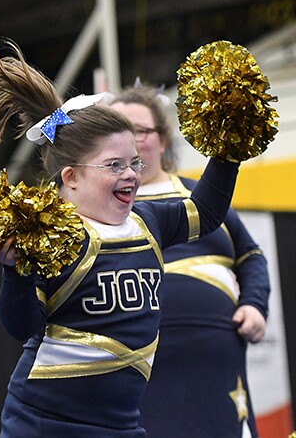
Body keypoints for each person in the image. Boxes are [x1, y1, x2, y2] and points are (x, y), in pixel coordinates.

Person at [0, 39, 242, 437]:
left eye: (134, 163)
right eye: (114, 165)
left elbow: (207, 212)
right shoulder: (54, 234)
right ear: (71, 176)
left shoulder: (148, 221)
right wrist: (15, 271)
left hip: (121, 426)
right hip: (44, 425)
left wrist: (231, 144)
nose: (131, 175)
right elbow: (22, 327)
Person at [109, 84, 269, 438]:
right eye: (118, 131)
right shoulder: (99, 211)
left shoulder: (203, 197)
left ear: (163, 141)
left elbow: (251, 255)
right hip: (142, 377)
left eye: (140, 130)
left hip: (219, 372)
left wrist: (255, 305)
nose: (131, 141)